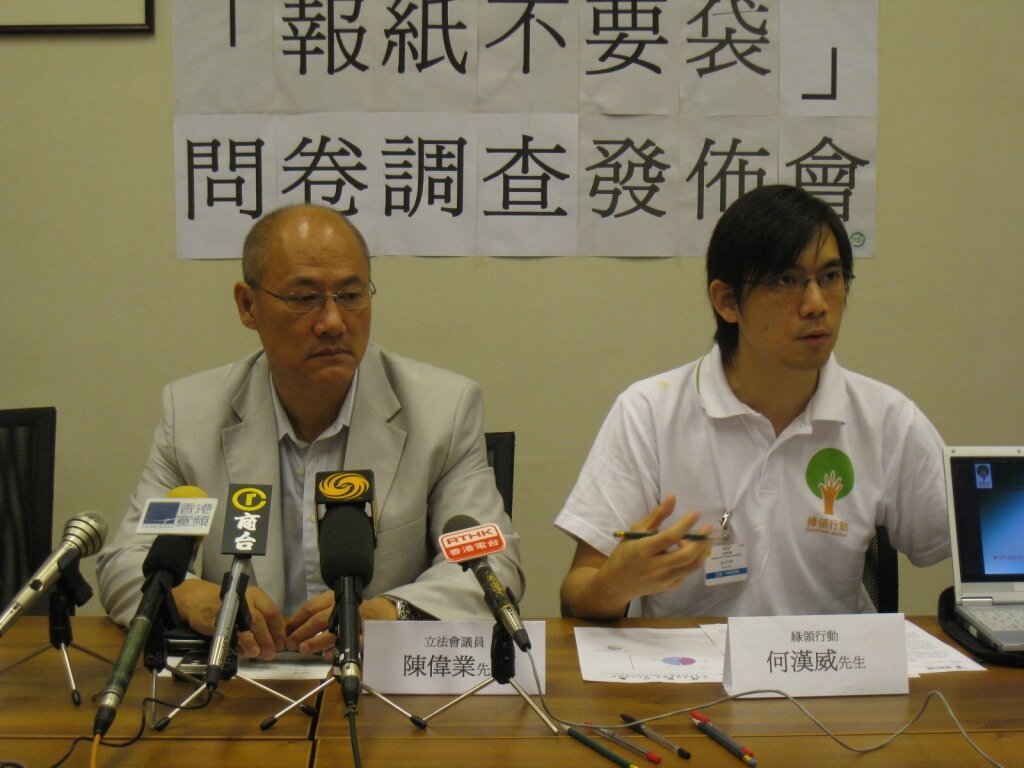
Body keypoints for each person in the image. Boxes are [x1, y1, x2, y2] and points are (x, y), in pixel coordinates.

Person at [97, 204, 523, 659]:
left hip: (379, 681)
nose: (333, 322)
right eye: (304, 299)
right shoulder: (192, 417)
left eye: (351, 295)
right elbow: (127, 562)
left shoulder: (442, 412)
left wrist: (391, 613)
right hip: (242, 680)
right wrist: (188, 595)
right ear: (248, 305)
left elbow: (493, 567)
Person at [555, 184, 949, 619]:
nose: (817, 304)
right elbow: (578, 592)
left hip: (829, 658)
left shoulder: (886, 418)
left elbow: (972, 550)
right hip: (690, 660)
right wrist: (618, 582)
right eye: (786, 280)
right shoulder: (649, 413)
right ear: (727, 301)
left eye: (831, 277)